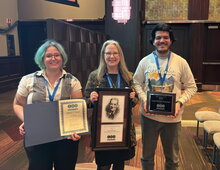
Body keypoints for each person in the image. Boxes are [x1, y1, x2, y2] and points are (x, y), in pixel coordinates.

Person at [133, 23, 197, 170]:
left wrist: (179, 102)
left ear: (171, 40)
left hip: (173, 118)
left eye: (165, 37)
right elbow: (136, 83)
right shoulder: (145, 62)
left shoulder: (181, 62)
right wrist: (143, 99)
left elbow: (192, 87)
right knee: (147, 157)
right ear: (153, 41)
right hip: (149, 117)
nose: (162, 40)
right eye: (158, 37)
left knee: (172, 159)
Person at [13, 40, 82, 170]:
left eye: (57, 55)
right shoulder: (28, 80)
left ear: (62, 57)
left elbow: (77, 110)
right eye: (48, 56)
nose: (53, 58)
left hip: (65, 137)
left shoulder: (73, 81)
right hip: (37, 135)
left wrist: (76, 129)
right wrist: (28, 120)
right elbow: (17, 104)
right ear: (42, 59)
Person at [84, 40, 138, 170]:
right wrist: (91, 99)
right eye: (108, 53)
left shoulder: (128, 76)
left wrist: (132, 97)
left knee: (119, 164)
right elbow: (85, 100)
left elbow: (135, 100)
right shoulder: (95, 76)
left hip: (123, 130)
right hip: (102, 131)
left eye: (115, 53)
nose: (112, 56)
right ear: (103, 55)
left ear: (120, 56)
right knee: (103, 165)